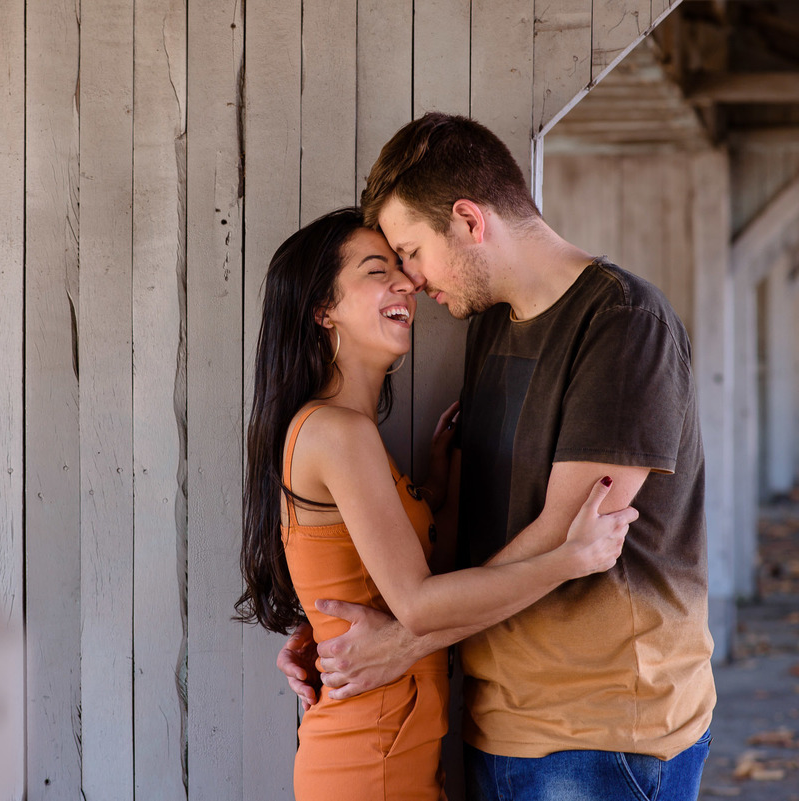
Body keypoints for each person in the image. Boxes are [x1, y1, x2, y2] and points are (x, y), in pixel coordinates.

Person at [278, 114, 717, 801]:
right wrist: (334, 631)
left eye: (412, 251)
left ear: (469, 220)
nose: (413, 281)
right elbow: (483, 539)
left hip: (604, 734)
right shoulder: (489, 327)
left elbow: (569, 535)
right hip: (495, 724)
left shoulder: (626, 322)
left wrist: (401, 637)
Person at [238, 207, 637, 800]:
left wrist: (439, 498)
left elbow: (412, 583)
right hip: (368, 761)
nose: (407, 282)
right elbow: (421, 607)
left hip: (396, 751)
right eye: (378, 271)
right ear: (322, 311)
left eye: (403, 265)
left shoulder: (352, 437)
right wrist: (570, 558)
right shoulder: (336, 434)